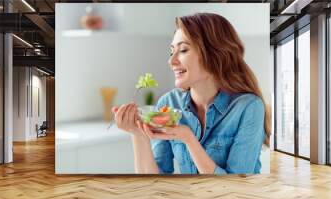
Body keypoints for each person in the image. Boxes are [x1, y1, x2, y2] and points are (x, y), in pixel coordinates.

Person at [112, 13, 271, 174]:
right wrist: (138, 134)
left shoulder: (249, 107)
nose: (171, 60)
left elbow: (237, 187)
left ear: (214, 54)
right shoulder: (169, 104)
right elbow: (155, 184)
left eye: (183, 50)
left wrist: (189, 139)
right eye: (171, 51)